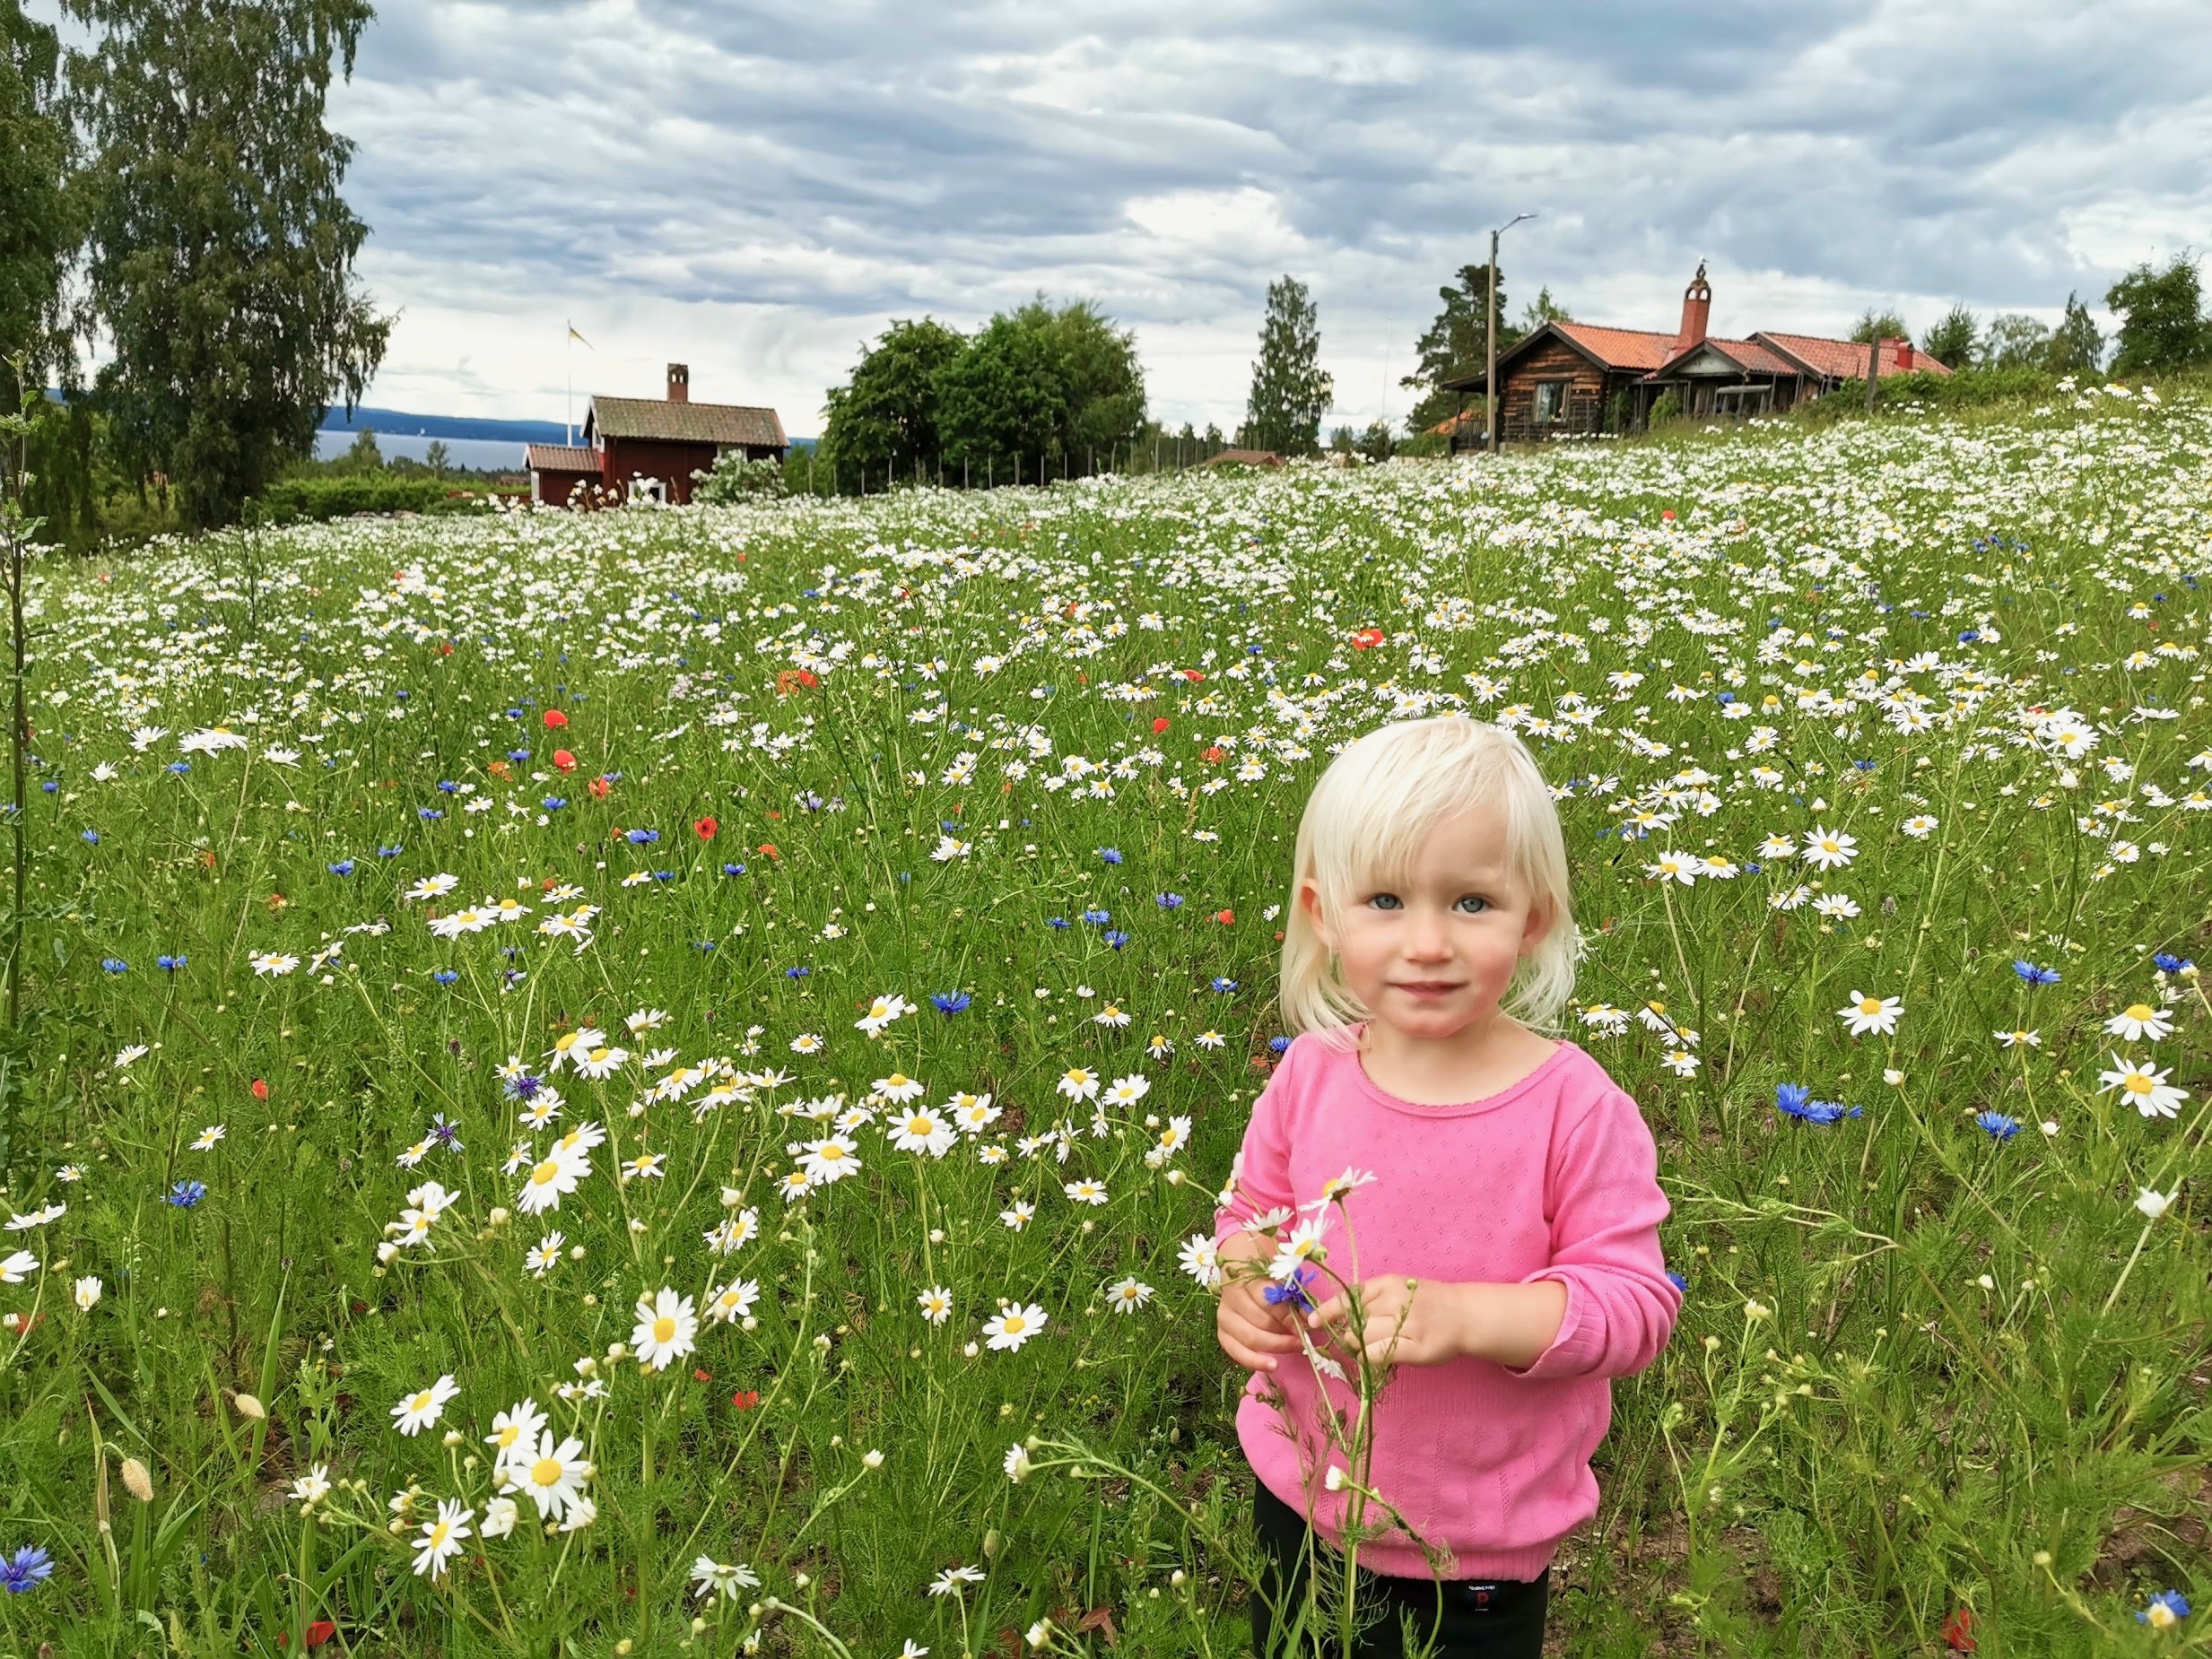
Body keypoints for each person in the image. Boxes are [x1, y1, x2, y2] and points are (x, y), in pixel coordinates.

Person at [1212, 716, 1681, 1657]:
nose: (1427, 941)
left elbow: (1635, 1307)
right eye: (1385, 898)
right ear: (1322, 911)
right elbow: (1248, 1216)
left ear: (1535, 914)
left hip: (1469, 1545)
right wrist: (1242, 1280)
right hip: (1298, 1493)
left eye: (1471, 902)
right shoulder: (1309, 1072)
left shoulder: (1575, 1107)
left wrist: (1468, 1317)